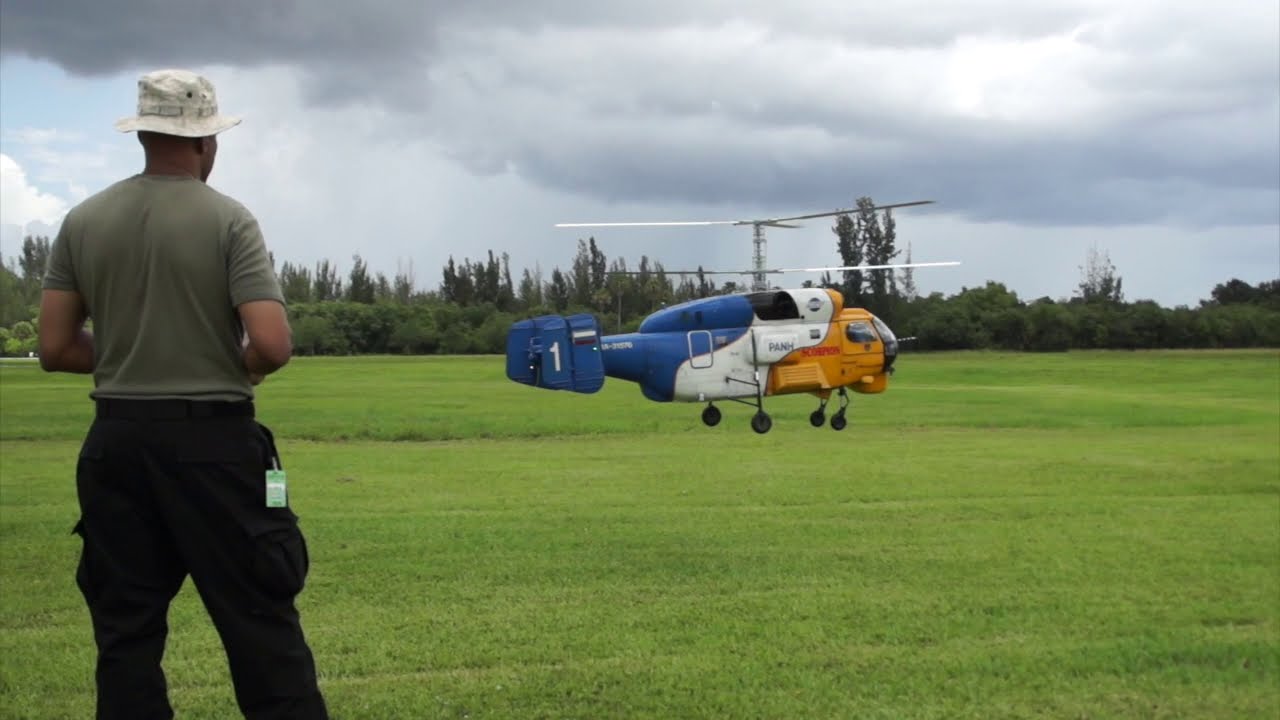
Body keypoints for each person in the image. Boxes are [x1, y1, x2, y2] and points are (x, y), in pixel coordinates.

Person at [38, 68, 329, 720]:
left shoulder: (82, 221)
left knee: (126, 636)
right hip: (215, 444)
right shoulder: (229, 220)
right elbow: (273, 343)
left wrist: (129, 358)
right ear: (205, 142)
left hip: (115, 447)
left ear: (143, 134)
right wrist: (237, 365)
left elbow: (55, 348)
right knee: (261, 627)